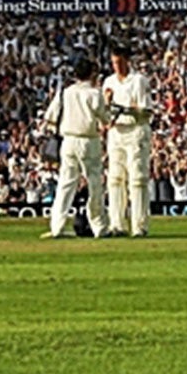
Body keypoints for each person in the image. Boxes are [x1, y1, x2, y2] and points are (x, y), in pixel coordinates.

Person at [42, 52, 113, 239]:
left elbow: (49, 117)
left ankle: (57, 227)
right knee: (95, 183)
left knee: (66, 184)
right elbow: (106, 119)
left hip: (69, 140)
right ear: (91, 74)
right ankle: (99, 227)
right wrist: (108, 103)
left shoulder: (65, 93)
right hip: (89, 139)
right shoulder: (94, 93)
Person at [103, 44, 153, 238]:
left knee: (137, 179)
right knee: (115, 179)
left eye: (120, 62)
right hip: (116, 133)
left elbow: (146, 112)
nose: (116, 66)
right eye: (114, 62)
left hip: (136, 131)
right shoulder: (109, 82)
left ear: (127, 61)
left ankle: (139, 226)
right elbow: (104, 114)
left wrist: (126, 109)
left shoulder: (139, 81)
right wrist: (107, 105)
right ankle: (117, 224)